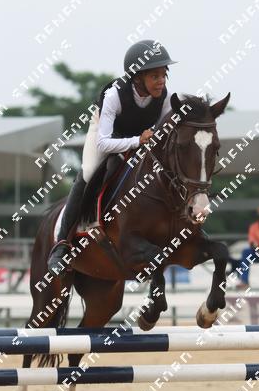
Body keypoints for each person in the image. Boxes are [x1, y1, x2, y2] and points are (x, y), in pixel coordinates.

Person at [47, 39, 177, 270]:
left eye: (163, 74)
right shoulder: (114, 95)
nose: (161, 81)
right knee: (88, 172)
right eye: (154, 76)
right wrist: (137, 141)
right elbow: (104, 143)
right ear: (138, 77)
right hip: (106, 134)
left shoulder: (165, 97)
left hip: (139, 136)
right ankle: (61, 244)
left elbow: (164, 132)